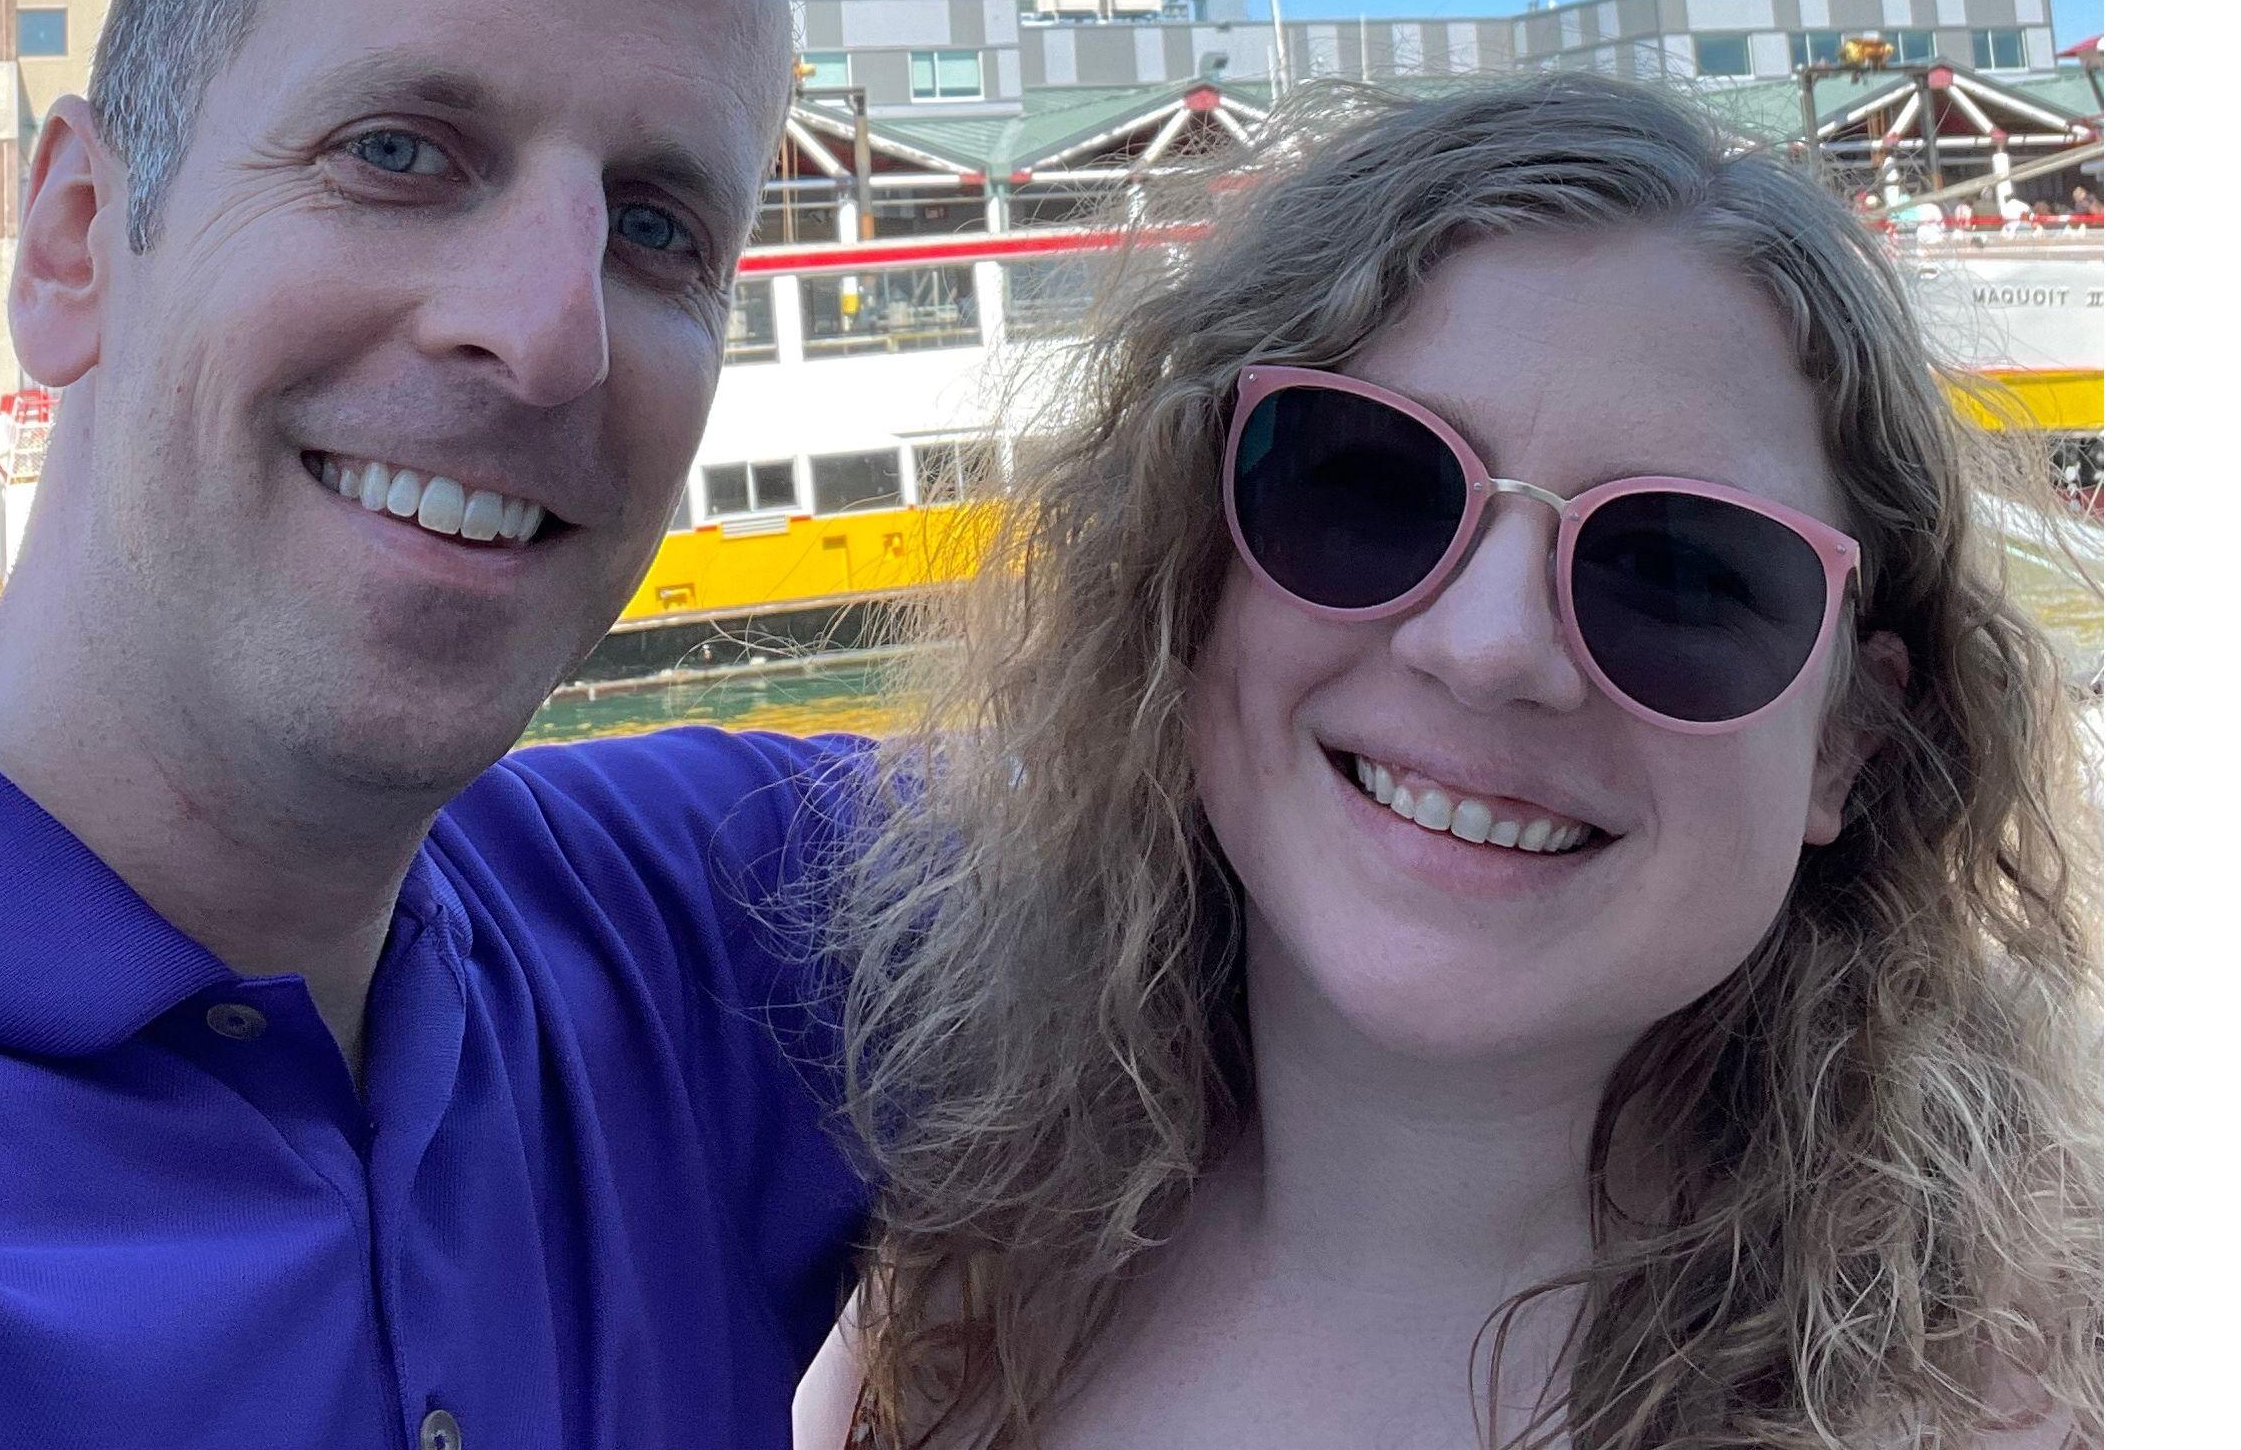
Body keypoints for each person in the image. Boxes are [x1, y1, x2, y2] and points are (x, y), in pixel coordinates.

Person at [0, 0, 869, 1450]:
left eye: (658, 226)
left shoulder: (710, 933)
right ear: (73, 243)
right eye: (396, 151)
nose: (547, 334)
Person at [804, 78, 2100, 1448]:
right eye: (1367, 488)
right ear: (1189, 571)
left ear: (1842, 740)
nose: (1487, 648)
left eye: (1681, 570)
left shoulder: (2060, 1385)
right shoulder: (930, 1277)